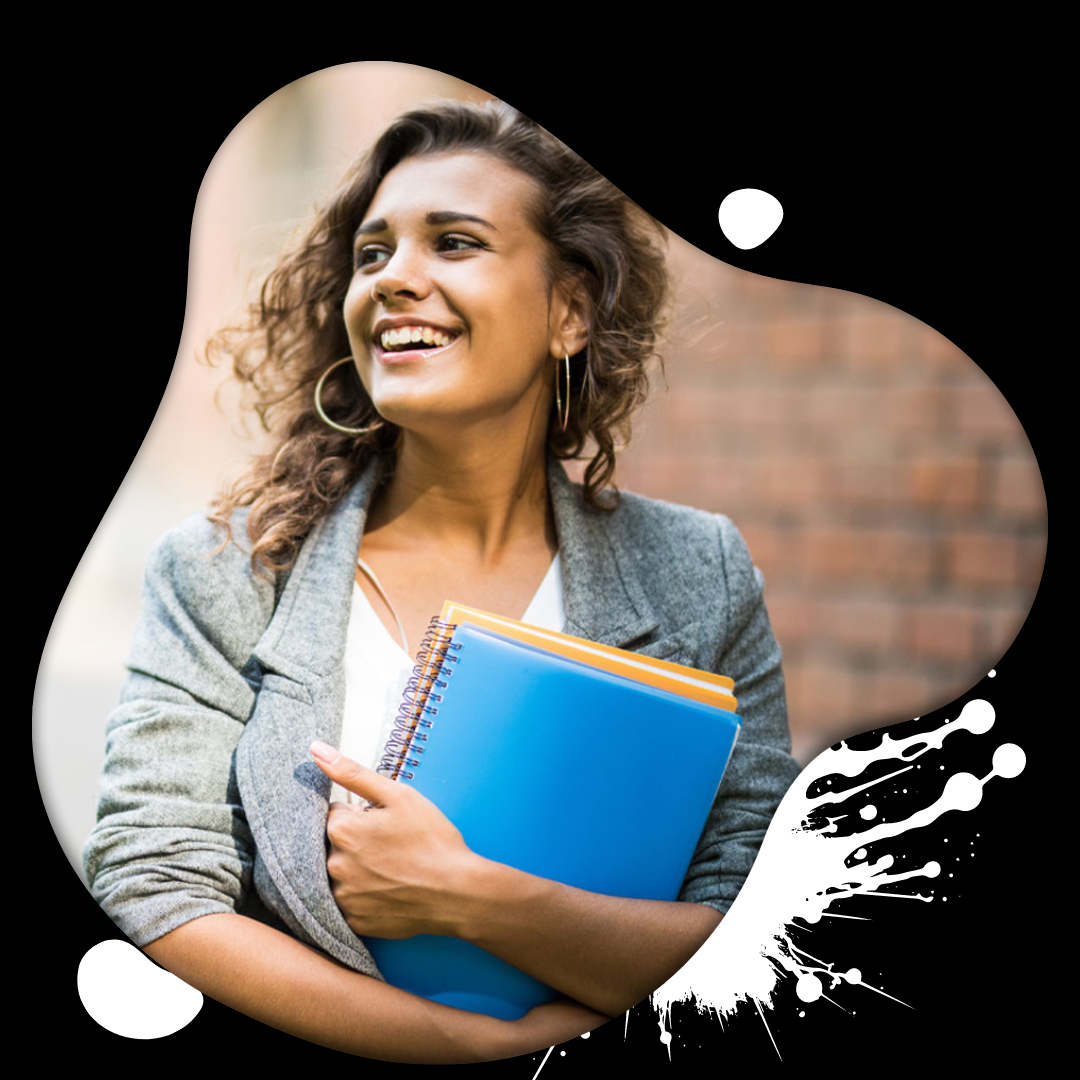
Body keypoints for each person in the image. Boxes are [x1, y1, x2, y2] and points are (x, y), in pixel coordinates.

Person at [84, 98, 801, 1063]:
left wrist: (470, 896)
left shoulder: (700, 574)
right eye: (372, 253)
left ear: (570, 310)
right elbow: (153, 881)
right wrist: (452, 1045)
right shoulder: (226, 568)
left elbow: (758, 921)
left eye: (453, 243)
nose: (394, 280)